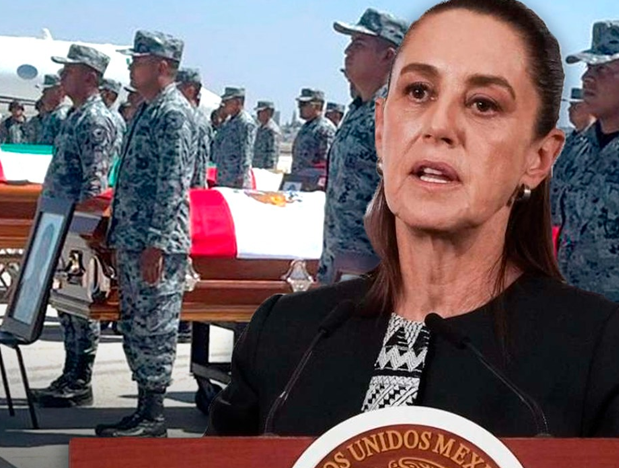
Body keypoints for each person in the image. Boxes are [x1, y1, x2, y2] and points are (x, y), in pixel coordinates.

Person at [207, 0, 619, 439]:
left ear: (538, 159)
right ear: (381, 129)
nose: (439, 126)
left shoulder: (597, 355)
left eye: (483, 104)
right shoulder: (284, 336)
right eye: (419, 92)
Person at [101, 30, 194, 438]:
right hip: (133, 237)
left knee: (155, 327)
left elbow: (173, 183)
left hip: (156, 242)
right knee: (136, 324)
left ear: (162, 66)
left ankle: (154, 414)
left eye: (138, 61)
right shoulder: (147, 109)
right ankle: (143, 409)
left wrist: (156, 242)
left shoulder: (173, 113)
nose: (130, 67)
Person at [31, 43, 116, 407]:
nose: (62, 76)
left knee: (81, 303)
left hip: (78, 226)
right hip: (61, 222)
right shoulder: (75, 115)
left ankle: (81, 378)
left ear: (90, 77)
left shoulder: (95, 120)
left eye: (69, 71)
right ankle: (70, 373)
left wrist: (82, 232)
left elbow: (95, 183)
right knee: (66, 302)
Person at [317, 7, 409, 284]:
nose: (348, 51)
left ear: (388, 56)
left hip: (375, 273)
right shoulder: (360, 109)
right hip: (342, 265)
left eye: (359, 44)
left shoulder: (397, 114)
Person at [555, 20, 619, 301]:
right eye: (588, 67)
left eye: (602, 68)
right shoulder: (578, 149)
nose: (586, 78)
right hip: (573, 306)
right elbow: (551, 212)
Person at [550, 87, 596, 228]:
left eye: (576, 106)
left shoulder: (597, 144)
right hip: (558, 222)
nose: (569, 110)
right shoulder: (568, 140)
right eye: (570, 105)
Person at [213, 87, 256, 188]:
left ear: (238, 102)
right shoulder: (229, 122)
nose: (224, 105)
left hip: (236, 181)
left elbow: (246, 153)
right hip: (224, 178)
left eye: (227, 101)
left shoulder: (245, 123)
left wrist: (242, 178)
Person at [176, 67, 211, 188]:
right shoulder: (183, 114)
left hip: (189, 186)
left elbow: (200, 158)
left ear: (190, 90)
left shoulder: (197, 121)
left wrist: (197, 187)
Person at [291, 88, 336, 175]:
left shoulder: (325, 129)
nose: (299, 107)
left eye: (303, 104)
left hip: (313, 180)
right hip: (298, 178)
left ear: (318, 106)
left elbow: (326, 162)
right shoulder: (305, 127)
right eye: (299, 104)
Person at [37, 74, 69, 145]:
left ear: (59, 92)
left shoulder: (61, 116)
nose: (43, 93)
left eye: (46, 90)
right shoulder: (49, 115)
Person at [99, 78, 127, 162]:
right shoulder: (99, 114)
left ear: (110, 95)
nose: (99, 95)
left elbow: (116, 150)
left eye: (102, 91)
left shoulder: (115, 119)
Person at [252, 100, 281, 170]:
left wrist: (270, 170)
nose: (258, 114)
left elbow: (273, 153)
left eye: (260, 112)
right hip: (256, 168)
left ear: (269, 112)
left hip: (265, 169)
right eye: (257, 112)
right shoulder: (260, 128)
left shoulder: (272, 130)